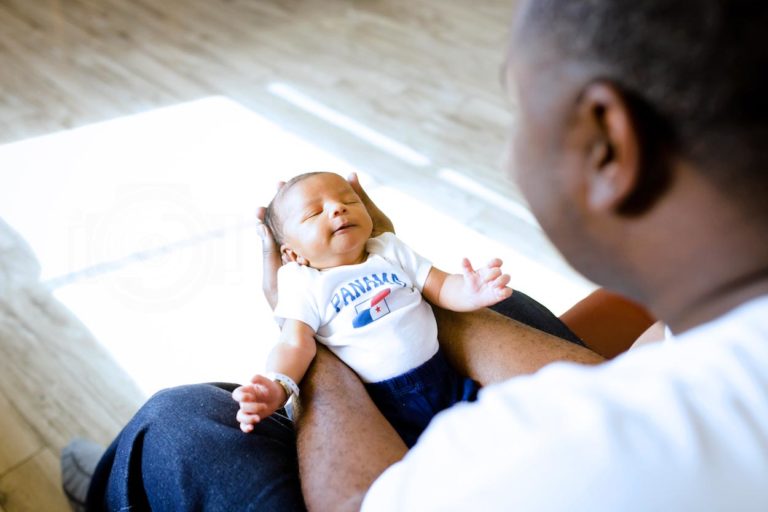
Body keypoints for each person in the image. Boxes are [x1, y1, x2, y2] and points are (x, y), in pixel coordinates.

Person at [63, 0, 768, 510]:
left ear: (609, 140)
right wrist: (400, 288)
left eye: (519, 107)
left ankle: (127, 486)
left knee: (182, 425)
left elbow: (358, 502)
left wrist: (328, 337)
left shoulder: (565, 459)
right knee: (508, 307)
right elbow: (634, 366)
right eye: (314, 212)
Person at [234, 171, 514, 447]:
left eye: (350, 200)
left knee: (494, 431)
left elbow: (439, 286)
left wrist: (469, 290)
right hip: (384, 404)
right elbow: (294, 342)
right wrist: (278, 385)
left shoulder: (388, 248)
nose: (337, 207)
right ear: (293, 254)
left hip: (444, 373)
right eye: (313, 213)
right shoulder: (301, 282)